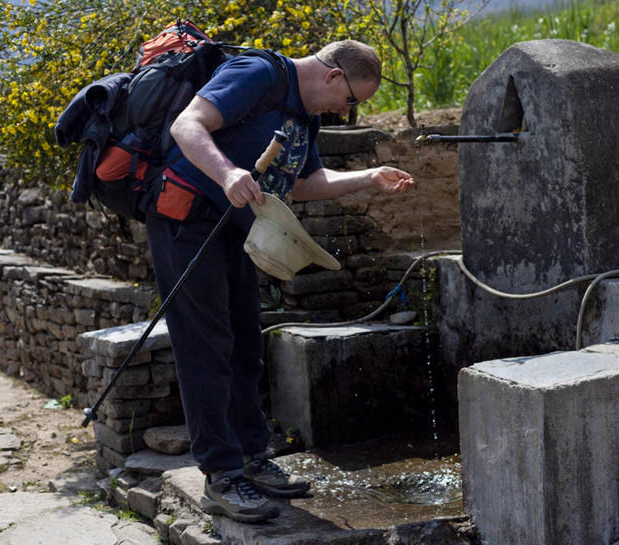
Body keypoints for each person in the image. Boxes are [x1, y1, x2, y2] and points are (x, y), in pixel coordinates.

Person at [144, 39, 415, 523]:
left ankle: (251, 457)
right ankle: (221, 475)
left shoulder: (304, 113)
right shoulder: (258, 73)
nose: (347, 112)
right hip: (185, 221)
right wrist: (228, 175)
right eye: (352, 100)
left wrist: (368, 176)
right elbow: (187, 125)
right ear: (334, 77)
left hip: (233, 227)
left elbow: (303, 183)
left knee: (246, 342)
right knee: (205, 346)